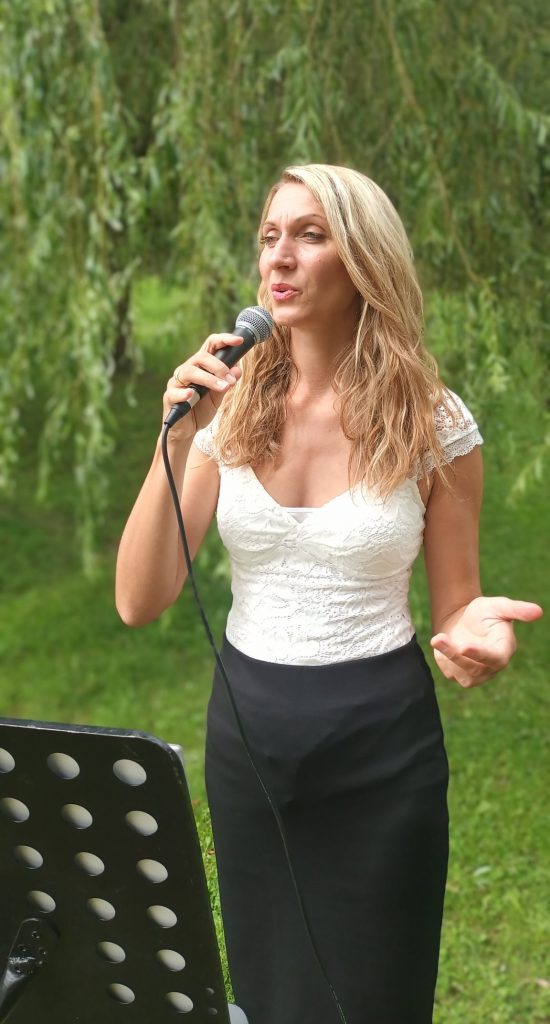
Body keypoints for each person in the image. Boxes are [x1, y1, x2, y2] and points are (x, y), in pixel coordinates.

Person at [115, 164, 543, 1024]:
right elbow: (140, 597)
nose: (280, 256)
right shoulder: (228, 408)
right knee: (269, 989)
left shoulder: (434, 421)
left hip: (379, 743)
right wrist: (181, 431)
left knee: (377, 993)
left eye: (311, 235)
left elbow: (456, 601)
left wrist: (479, 634)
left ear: (364, 259)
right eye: (270, 236)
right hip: (250, 738)